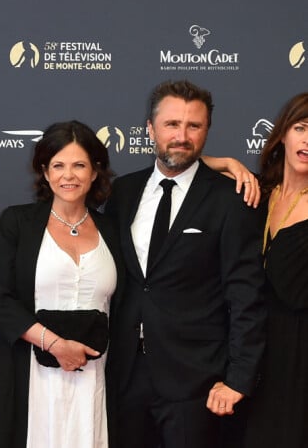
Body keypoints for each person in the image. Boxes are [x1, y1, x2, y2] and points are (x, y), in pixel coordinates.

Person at [104, 80, 266, 448]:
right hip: (124, 375)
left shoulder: (231, 200)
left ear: (207, 130)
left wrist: (239, 377)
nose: (182, 135)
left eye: (194, 126)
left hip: (197, 381)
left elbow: (246, 296)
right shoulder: (122, 193)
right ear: (150, 128)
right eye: (172, 124)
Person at [0, 120, 123, 448]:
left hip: (97, 381)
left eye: (79, 165)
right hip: (35, 376)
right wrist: (55, 345)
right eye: (58, 165)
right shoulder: (17, 222)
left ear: (95, 172)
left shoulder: (114, 229)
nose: (69, 175)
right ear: (45, 173)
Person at [243, 92, 308, 447]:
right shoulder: (256, 193)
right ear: (283, 133)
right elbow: (184, 162)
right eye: (301, 127)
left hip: (298, 356)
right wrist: (229, 163)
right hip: (252, 350)